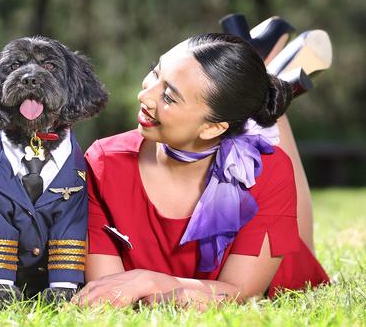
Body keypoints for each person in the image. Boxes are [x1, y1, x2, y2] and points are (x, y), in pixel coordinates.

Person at [75, 33, 329, 308]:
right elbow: (108, 290)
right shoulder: (103, 163)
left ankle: (266, 75)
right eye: (154, 72)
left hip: (269, 271)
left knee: (274, 168)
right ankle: (259, 72)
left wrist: (148, 281)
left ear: (212, 128)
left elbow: (240, 293)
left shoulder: (264, 168)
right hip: (224, 123)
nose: (144, 95)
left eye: (169, 96)